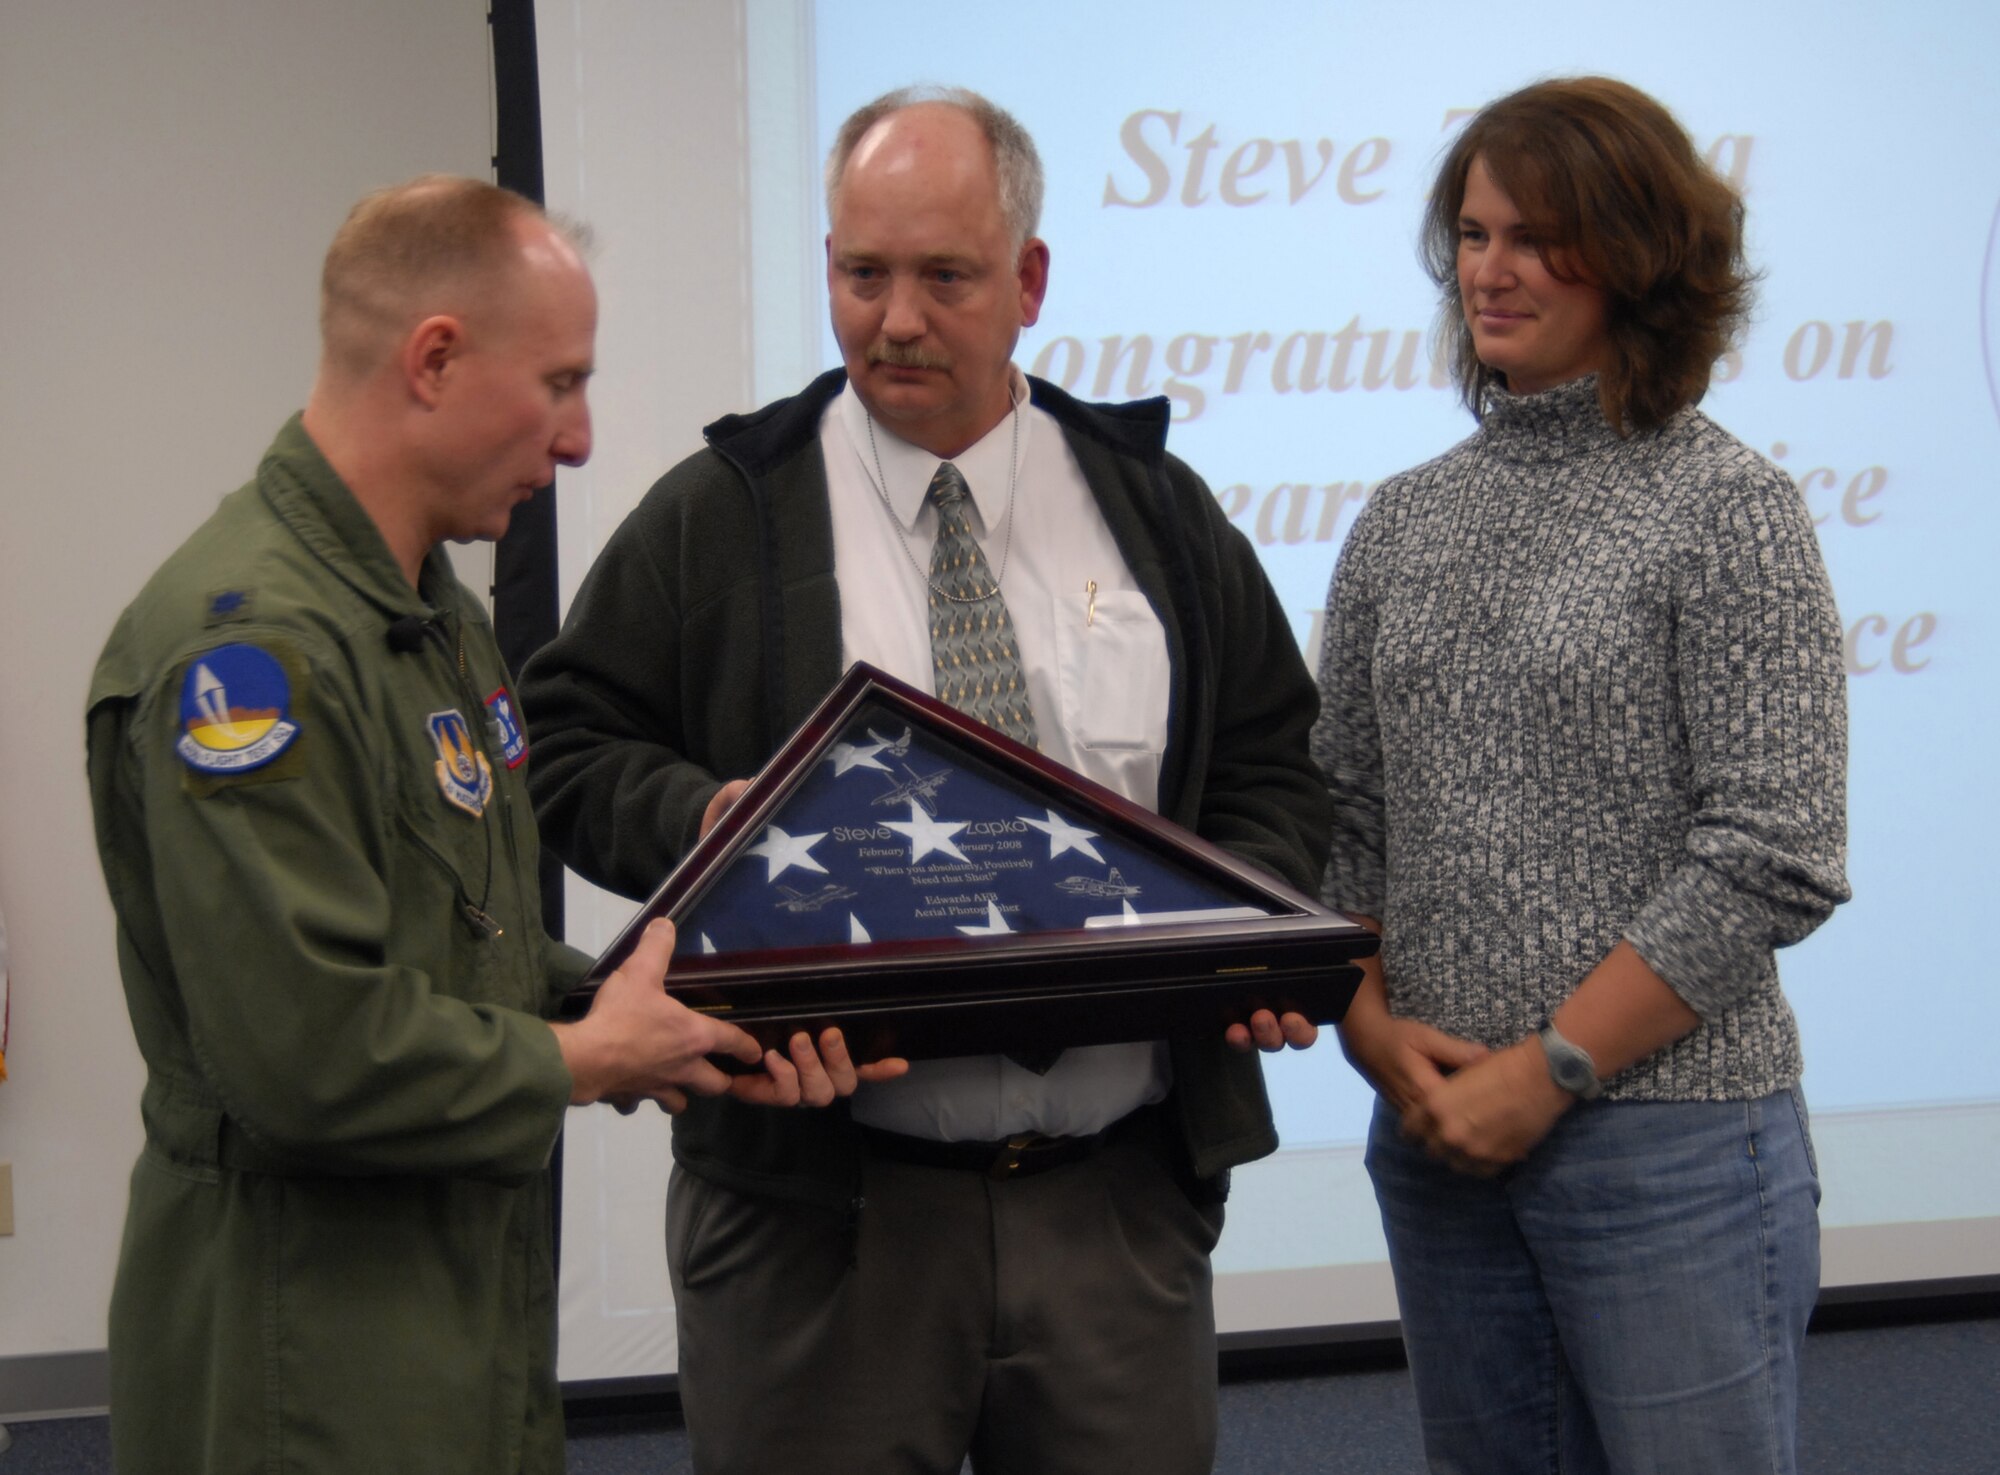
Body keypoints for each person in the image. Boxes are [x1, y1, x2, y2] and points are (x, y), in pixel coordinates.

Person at [521, 86, 1329, 1474]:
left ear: (1028, 282)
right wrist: (709, 824)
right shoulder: (725, 512)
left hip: (1114, 1209)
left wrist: (1239, 934)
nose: (895, 319)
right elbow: (567, 740)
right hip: (822, 1228)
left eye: (944, 277)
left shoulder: (1154, 507)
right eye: (861, 274)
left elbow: (1273, 762)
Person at [85, 176, 842, 1475]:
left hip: (450, 1319)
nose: (584, 438)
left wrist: (668, 1014)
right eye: (560, 384)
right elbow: (310, 1055)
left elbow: (456, 949)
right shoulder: (259, 657)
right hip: (302, 1354)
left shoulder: (433, 620)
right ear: (435, 359)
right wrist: (593, 1058)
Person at [1313, 78, 1850, 1474]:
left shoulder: (1728, 505)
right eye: (1475, 234)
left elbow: (1771, 852)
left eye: (1536, 237)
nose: (1490, 271)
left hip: (1669, 1150)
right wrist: (1367, 1027)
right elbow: (1345, 818)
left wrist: (1549, 1071)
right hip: (1435, 1146)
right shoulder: (1400, 522)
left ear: (1636, 257)